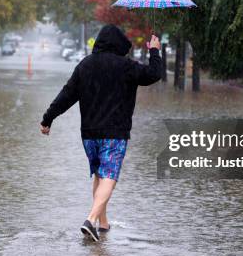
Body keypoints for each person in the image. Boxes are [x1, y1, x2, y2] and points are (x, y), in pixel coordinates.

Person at [40, 24, 162, 242]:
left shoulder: (85, 65)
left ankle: (102, 224)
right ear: (119, 44)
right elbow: (153, 74)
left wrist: (48, 118)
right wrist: (154, 50)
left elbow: (67, 95)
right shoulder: (126, 66)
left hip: (89, 134)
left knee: (99, 174)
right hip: (114, 132)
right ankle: (90, 219)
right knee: (110, 175)